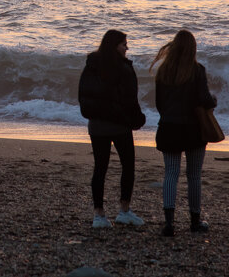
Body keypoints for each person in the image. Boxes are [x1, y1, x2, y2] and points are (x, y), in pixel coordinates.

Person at [150, 29, 217, 236]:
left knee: (171, 173)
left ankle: (169, 223)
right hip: (193, 130)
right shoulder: (197, 70)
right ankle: (194, 221)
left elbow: (159, 104)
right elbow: (204, 99)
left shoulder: (163, 71)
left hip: (169, 127)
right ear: (192, 49)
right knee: (194, 175)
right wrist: (213, 101)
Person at [78, 29, 147, 228]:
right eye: (124, 44)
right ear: (114, 45)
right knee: (128, 166)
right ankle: (124, 210)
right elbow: (129, 98)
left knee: (100, 167)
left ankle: (98, 215)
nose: (127, 48)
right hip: (119, 125)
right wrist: (137, 119)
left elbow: (83, 94)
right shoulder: (122, 68)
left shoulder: (91, 65)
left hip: (97, 124)